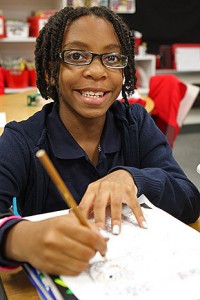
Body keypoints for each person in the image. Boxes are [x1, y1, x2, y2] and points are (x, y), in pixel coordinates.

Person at [0, 6, 199, 276]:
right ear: (49, 72)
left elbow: (189, 200)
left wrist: (133, 178)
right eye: (76, 56)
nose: (97, 71)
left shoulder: (135, 122)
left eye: (113, 58)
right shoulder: (22, 140)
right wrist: (21, 238)